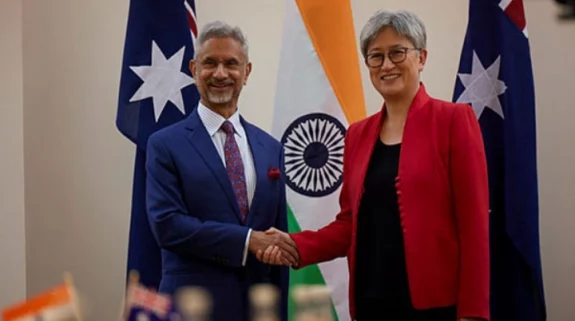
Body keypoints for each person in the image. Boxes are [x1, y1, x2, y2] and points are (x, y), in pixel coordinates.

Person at [257, 9, 490, 321]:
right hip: (371, 302)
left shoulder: (454, 121)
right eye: (375, 56)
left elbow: (474, 226)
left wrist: (473, 313)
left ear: (421, 58)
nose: (387, 65)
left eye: (397, 53)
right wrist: (295, 245)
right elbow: (349, 225)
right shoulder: (357, 134)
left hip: (435, 306)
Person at [145, 21, 298, 321]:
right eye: (210, 63)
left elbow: (276, 241)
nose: (220, 73)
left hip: (258, 310)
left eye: (231, 64)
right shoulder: (165, 144)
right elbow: (167, 225)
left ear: (247, 72)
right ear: (193, 68)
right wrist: (247, 240)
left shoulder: (270, 148)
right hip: (192, 309)